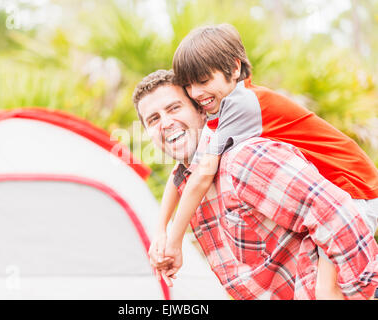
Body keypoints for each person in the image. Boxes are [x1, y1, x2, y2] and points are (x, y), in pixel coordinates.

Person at [149, 24, 378, 299]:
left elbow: (201, 176)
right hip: (337, 189)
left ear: (234, 68)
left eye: (203, 81)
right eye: (188, 84)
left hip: (353, 188)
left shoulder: (242, 103)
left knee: (327, 290)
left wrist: (175, 241)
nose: (196, 93)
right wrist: (160, 230)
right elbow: (183, 174)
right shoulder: (220, 109)